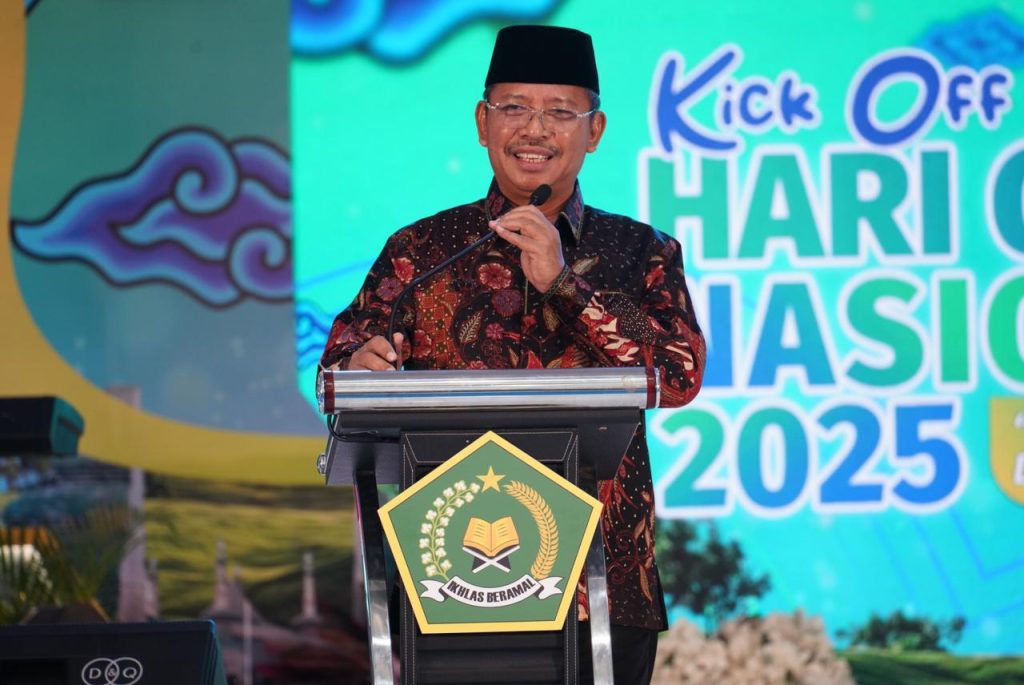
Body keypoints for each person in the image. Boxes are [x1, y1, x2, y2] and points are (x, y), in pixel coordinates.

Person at [319, 24, 706, 684]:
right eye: (515, 108)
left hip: (603, 590)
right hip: (451, 582)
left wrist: (564, 282)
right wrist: (357, 367)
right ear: (482, 122)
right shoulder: (421, 251)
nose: (535, 130)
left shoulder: (642, 251)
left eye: (560, 112)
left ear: (595, 131)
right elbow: (338, 371)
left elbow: (679, 375)